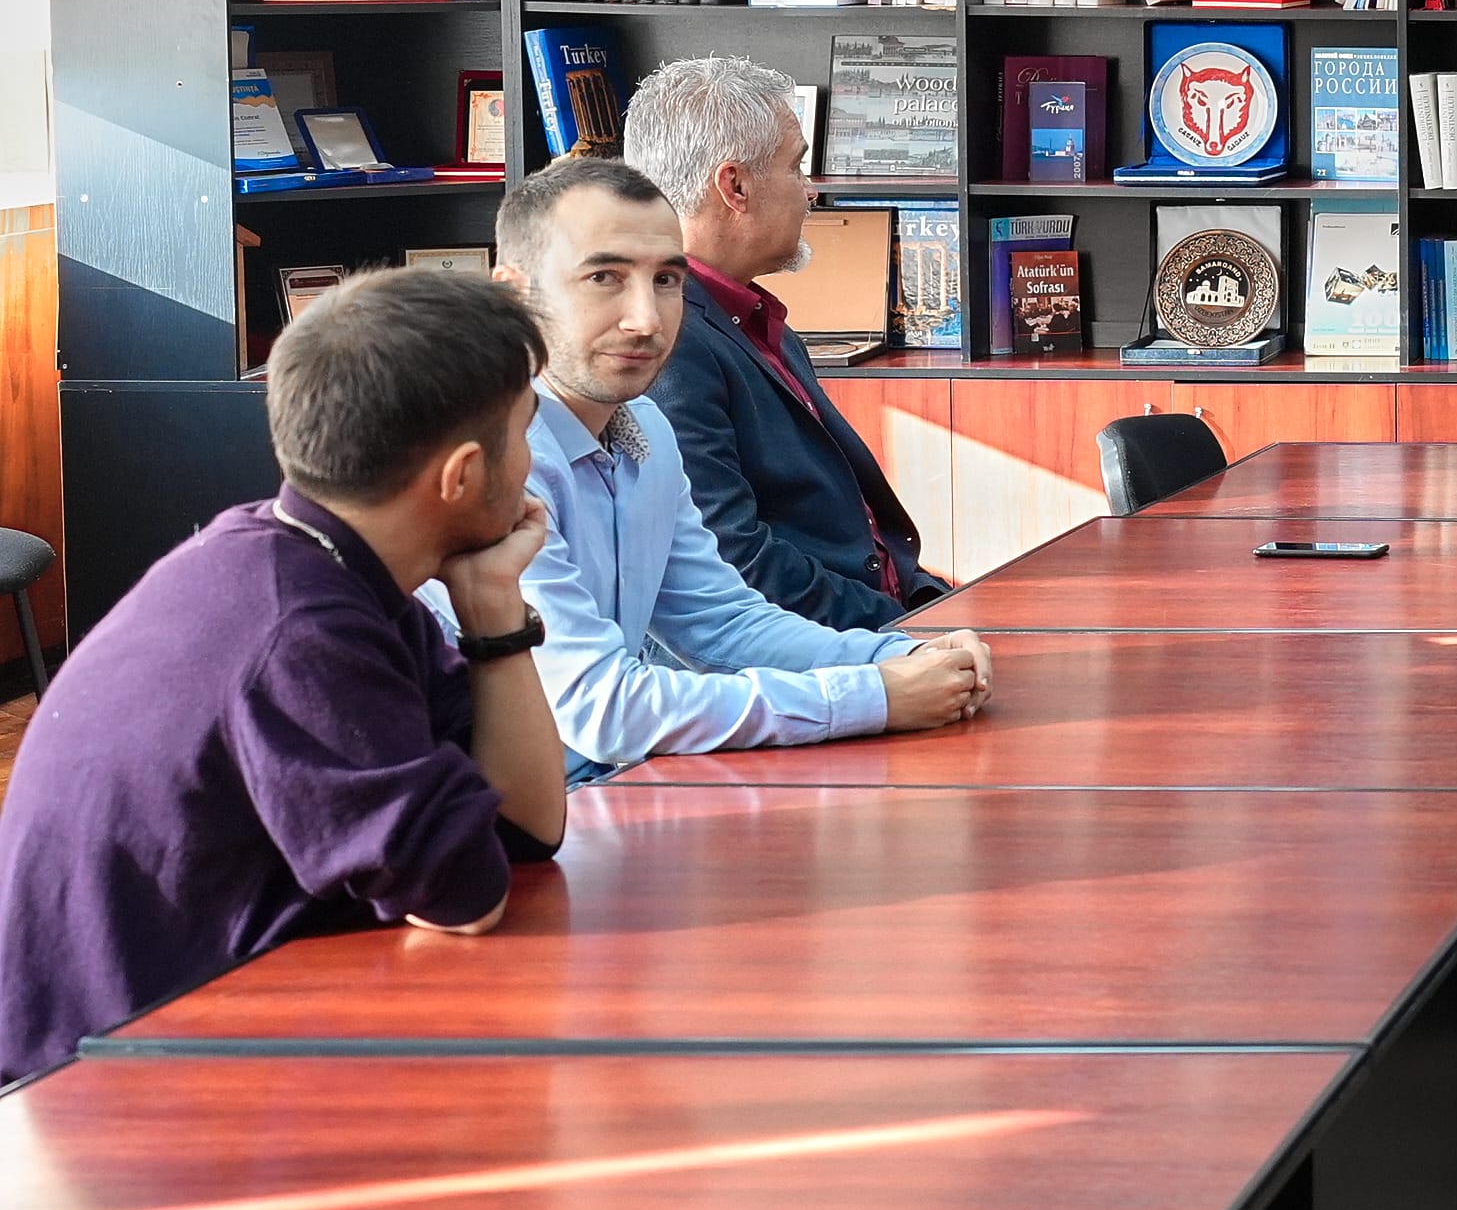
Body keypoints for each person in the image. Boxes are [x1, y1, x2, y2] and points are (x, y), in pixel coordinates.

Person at [0, 273, 568, 1085]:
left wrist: (493, 610)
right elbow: (466, 895)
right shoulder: (297, 629)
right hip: (100, 1086)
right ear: (462, 474)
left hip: (203, 1032)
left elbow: (524, 832)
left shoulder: (322, 564)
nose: (532, 464)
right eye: (525, 432)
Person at [471, 156, 994, 779]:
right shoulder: (488, 463)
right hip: (497, 819)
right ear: (513, 295)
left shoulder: (647, 430)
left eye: (667, 280)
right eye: (604, 277)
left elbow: (721, 622)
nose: (646, 319)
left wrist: (897, 654)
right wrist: (872, 695)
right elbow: (602, 710)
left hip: (607, 789)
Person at [624, 56, 949, 632]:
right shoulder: (670, 341)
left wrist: (931, 602)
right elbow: (735, 562)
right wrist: (905, 631)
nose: (811, 191)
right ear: (736, 186)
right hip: (820, 651)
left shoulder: (750, 316)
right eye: (797, 167)